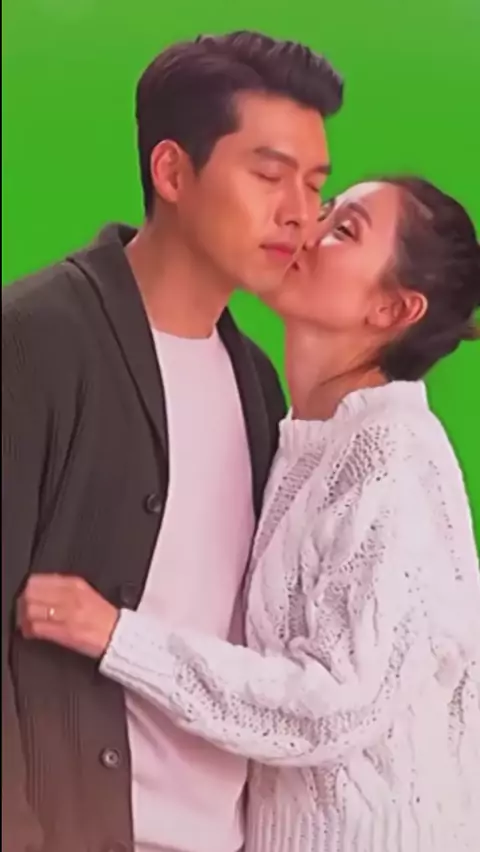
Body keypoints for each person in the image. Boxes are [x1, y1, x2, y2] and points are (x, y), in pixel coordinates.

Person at [20, 177, 480, 852]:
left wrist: (117, 636)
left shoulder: (394, 459)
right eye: (326, 209)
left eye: (343, 230)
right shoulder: (296, 434)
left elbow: (331, 708)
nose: (307, 227)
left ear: (392, 308)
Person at [2, 31, 344, 852]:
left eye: (315, 184)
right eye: (268, 175)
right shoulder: (36, 339)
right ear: (172, 172)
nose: (299, 213)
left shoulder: (258, 380)